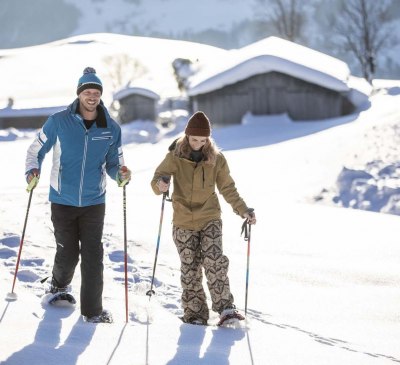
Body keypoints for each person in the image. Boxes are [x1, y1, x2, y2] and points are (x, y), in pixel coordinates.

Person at [25, 67, 131, 323]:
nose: (91, 96)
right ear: (80, 94)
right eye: (87, 92)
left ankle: (93, 311)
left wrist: (121, 175)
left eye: (96, 92)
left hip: (95, 201)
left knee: (93, 256)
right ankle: (59, 286)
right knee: (68, 252)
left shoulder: (111, 128)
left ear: (100, 95)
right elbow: (35, 149)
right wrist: (32, 169)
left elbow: (114, 163)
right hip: (62, 198)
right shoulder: (58, 121)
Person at [151, 111, 256, 326]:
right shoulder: (175, 155)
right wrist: (160, 185)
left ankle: (226, 307)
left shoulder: (216, 158)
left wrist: (243, 210)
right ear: (187, 136)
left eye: (203, 140)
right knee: (190, 268)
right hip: (182, 220)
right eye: (194, 139)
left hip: (209, 216)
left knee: (214, 259)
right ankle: (195, 314)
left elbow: (227, 188)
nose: (198, 143)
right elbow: (157, 178)